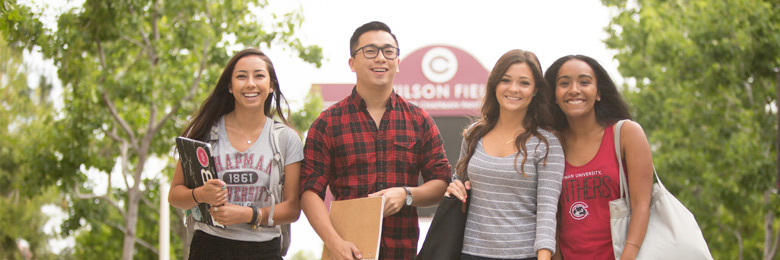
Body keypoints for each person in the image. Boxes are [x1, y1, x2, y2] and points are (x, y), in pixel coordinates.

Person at [299, 21, 451, 260]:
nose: (381, 58)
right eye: (370, 51)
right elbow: (309, 191)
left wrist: (406, 194)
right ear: (352, 63)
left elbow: (441, 182)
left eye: (389, 51)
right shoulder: (328, 123)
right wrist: (334, 243)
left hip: (402, 252)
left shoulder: (419, 120)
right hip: (346, 251)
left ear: (397, 62)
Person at [168, 48, 303, 260]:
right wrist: (200, 195)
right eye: (241, 76)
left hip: (264, 250)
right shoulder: (204, 133)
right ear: (230, 87)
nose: (250, 83)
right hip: (208, 248)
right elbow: (175, 195)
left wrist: (250, 214)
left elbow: (293, 208)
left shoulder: (287, 139)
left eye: (259, 75)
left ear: (270, 86)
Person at [445, 49, 565, 260]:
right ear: (494, 85)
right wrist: (454, 185)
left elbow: (547, 213)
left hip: (524, 255)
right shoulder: (474, 135)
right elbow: (460, 180)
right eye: (506, 80)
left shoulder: (546, 143)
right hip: (470, 252)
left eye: (524, 83)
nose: (513, 89)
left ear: (536, 90)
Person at [544, 55, 654, 260]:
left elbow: (642, 204)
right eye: (564, 83)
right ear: (555, 96)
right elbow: (551, 215)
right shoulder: (550, 144)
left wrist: (628, 256)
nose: (574, 89)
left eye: (584, 82)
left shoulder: (626, 134)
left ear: (599, 93)